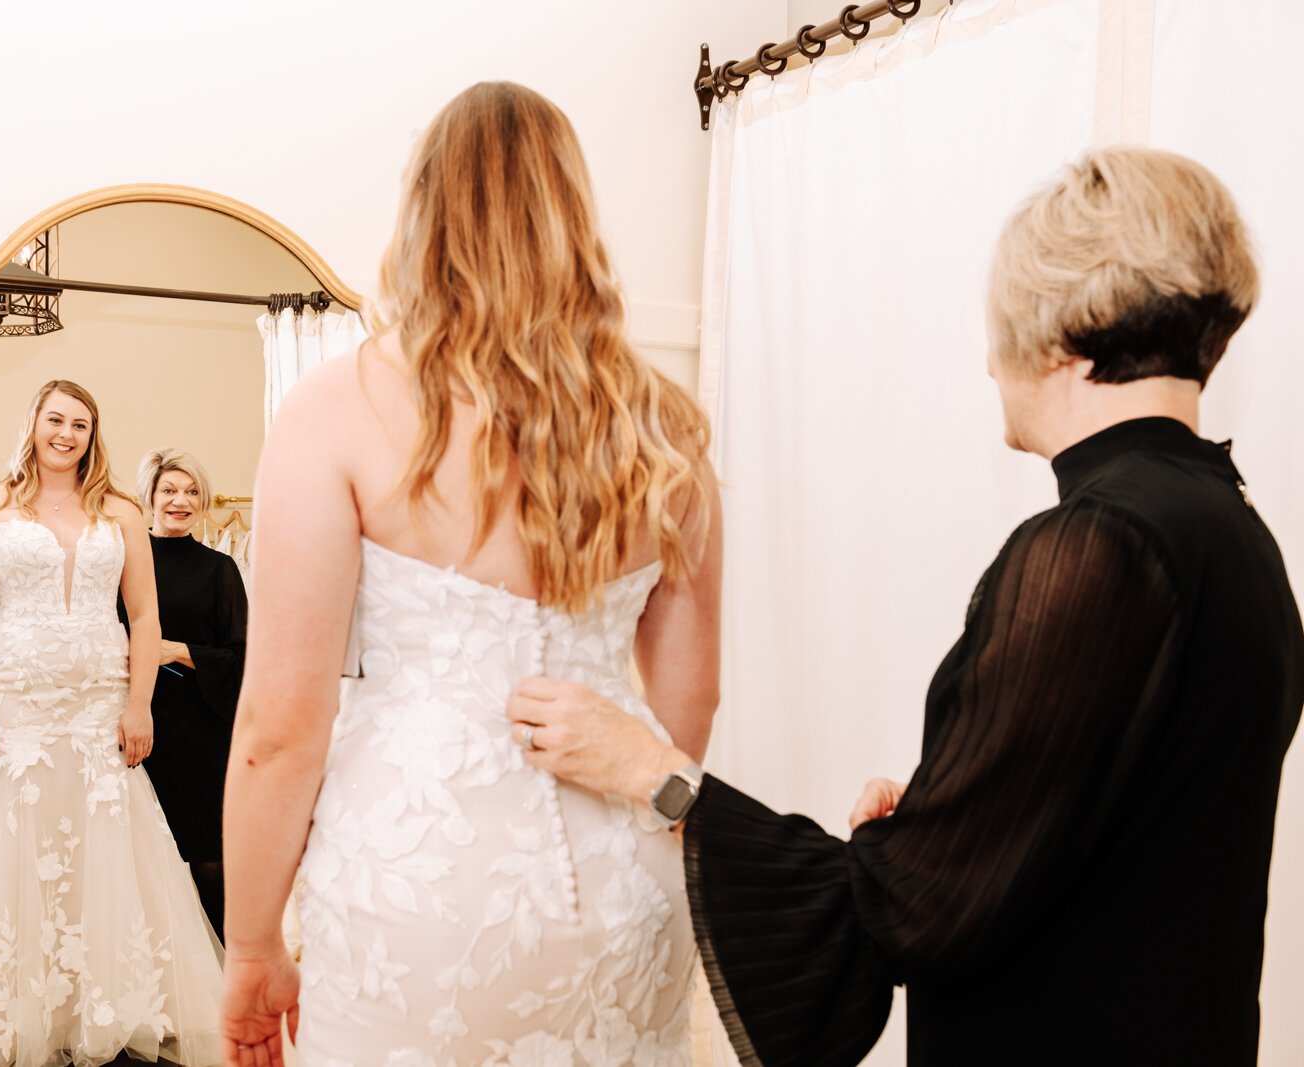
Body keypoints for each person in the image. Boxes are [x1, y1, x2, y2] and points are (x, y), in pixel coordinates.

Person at [508, 146, 1304, 1066]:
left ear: (1053, 331)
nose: (987, 364)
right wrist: (950, 810)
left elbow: (908, 910)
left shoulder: (1098, 546)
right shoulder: (1236, 528)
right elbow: (1111, 825)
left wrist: (653, 771)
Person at [215, 82, 724, 1066]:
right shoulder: (664, 424)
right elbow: (686, 703)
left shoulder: (340, 407)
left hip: (417, 885)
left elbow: (280, 724)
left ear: (423, 212)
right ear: (573, 214)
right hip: (625, 882)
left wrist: (251, 939)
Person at [0, 380, 225, 1067]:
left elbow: (145, 618)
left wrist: (138, 704)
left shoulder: (121, 512)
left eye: (80, 422)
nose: (67, 433)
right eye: (55, 419)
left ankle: (98, 1005)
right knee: (10, 847)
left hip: (98, 707)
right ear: (33, 424)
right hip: (16, 704)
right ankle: (11, 1010)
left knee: (105, 847)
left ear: (92, 433)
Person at [121, 447, 248, 940]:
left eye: (192, 491)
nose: (181, 500)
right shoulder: (123, 561)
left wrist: (175, 650)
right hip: (133, 726)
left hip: (202, 730)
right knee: (141, 860)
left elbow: (242, 657)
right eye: (170, 490)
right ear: (149, 498)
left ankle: (231, 972)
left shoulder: (220, 570)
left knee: (210, 859)